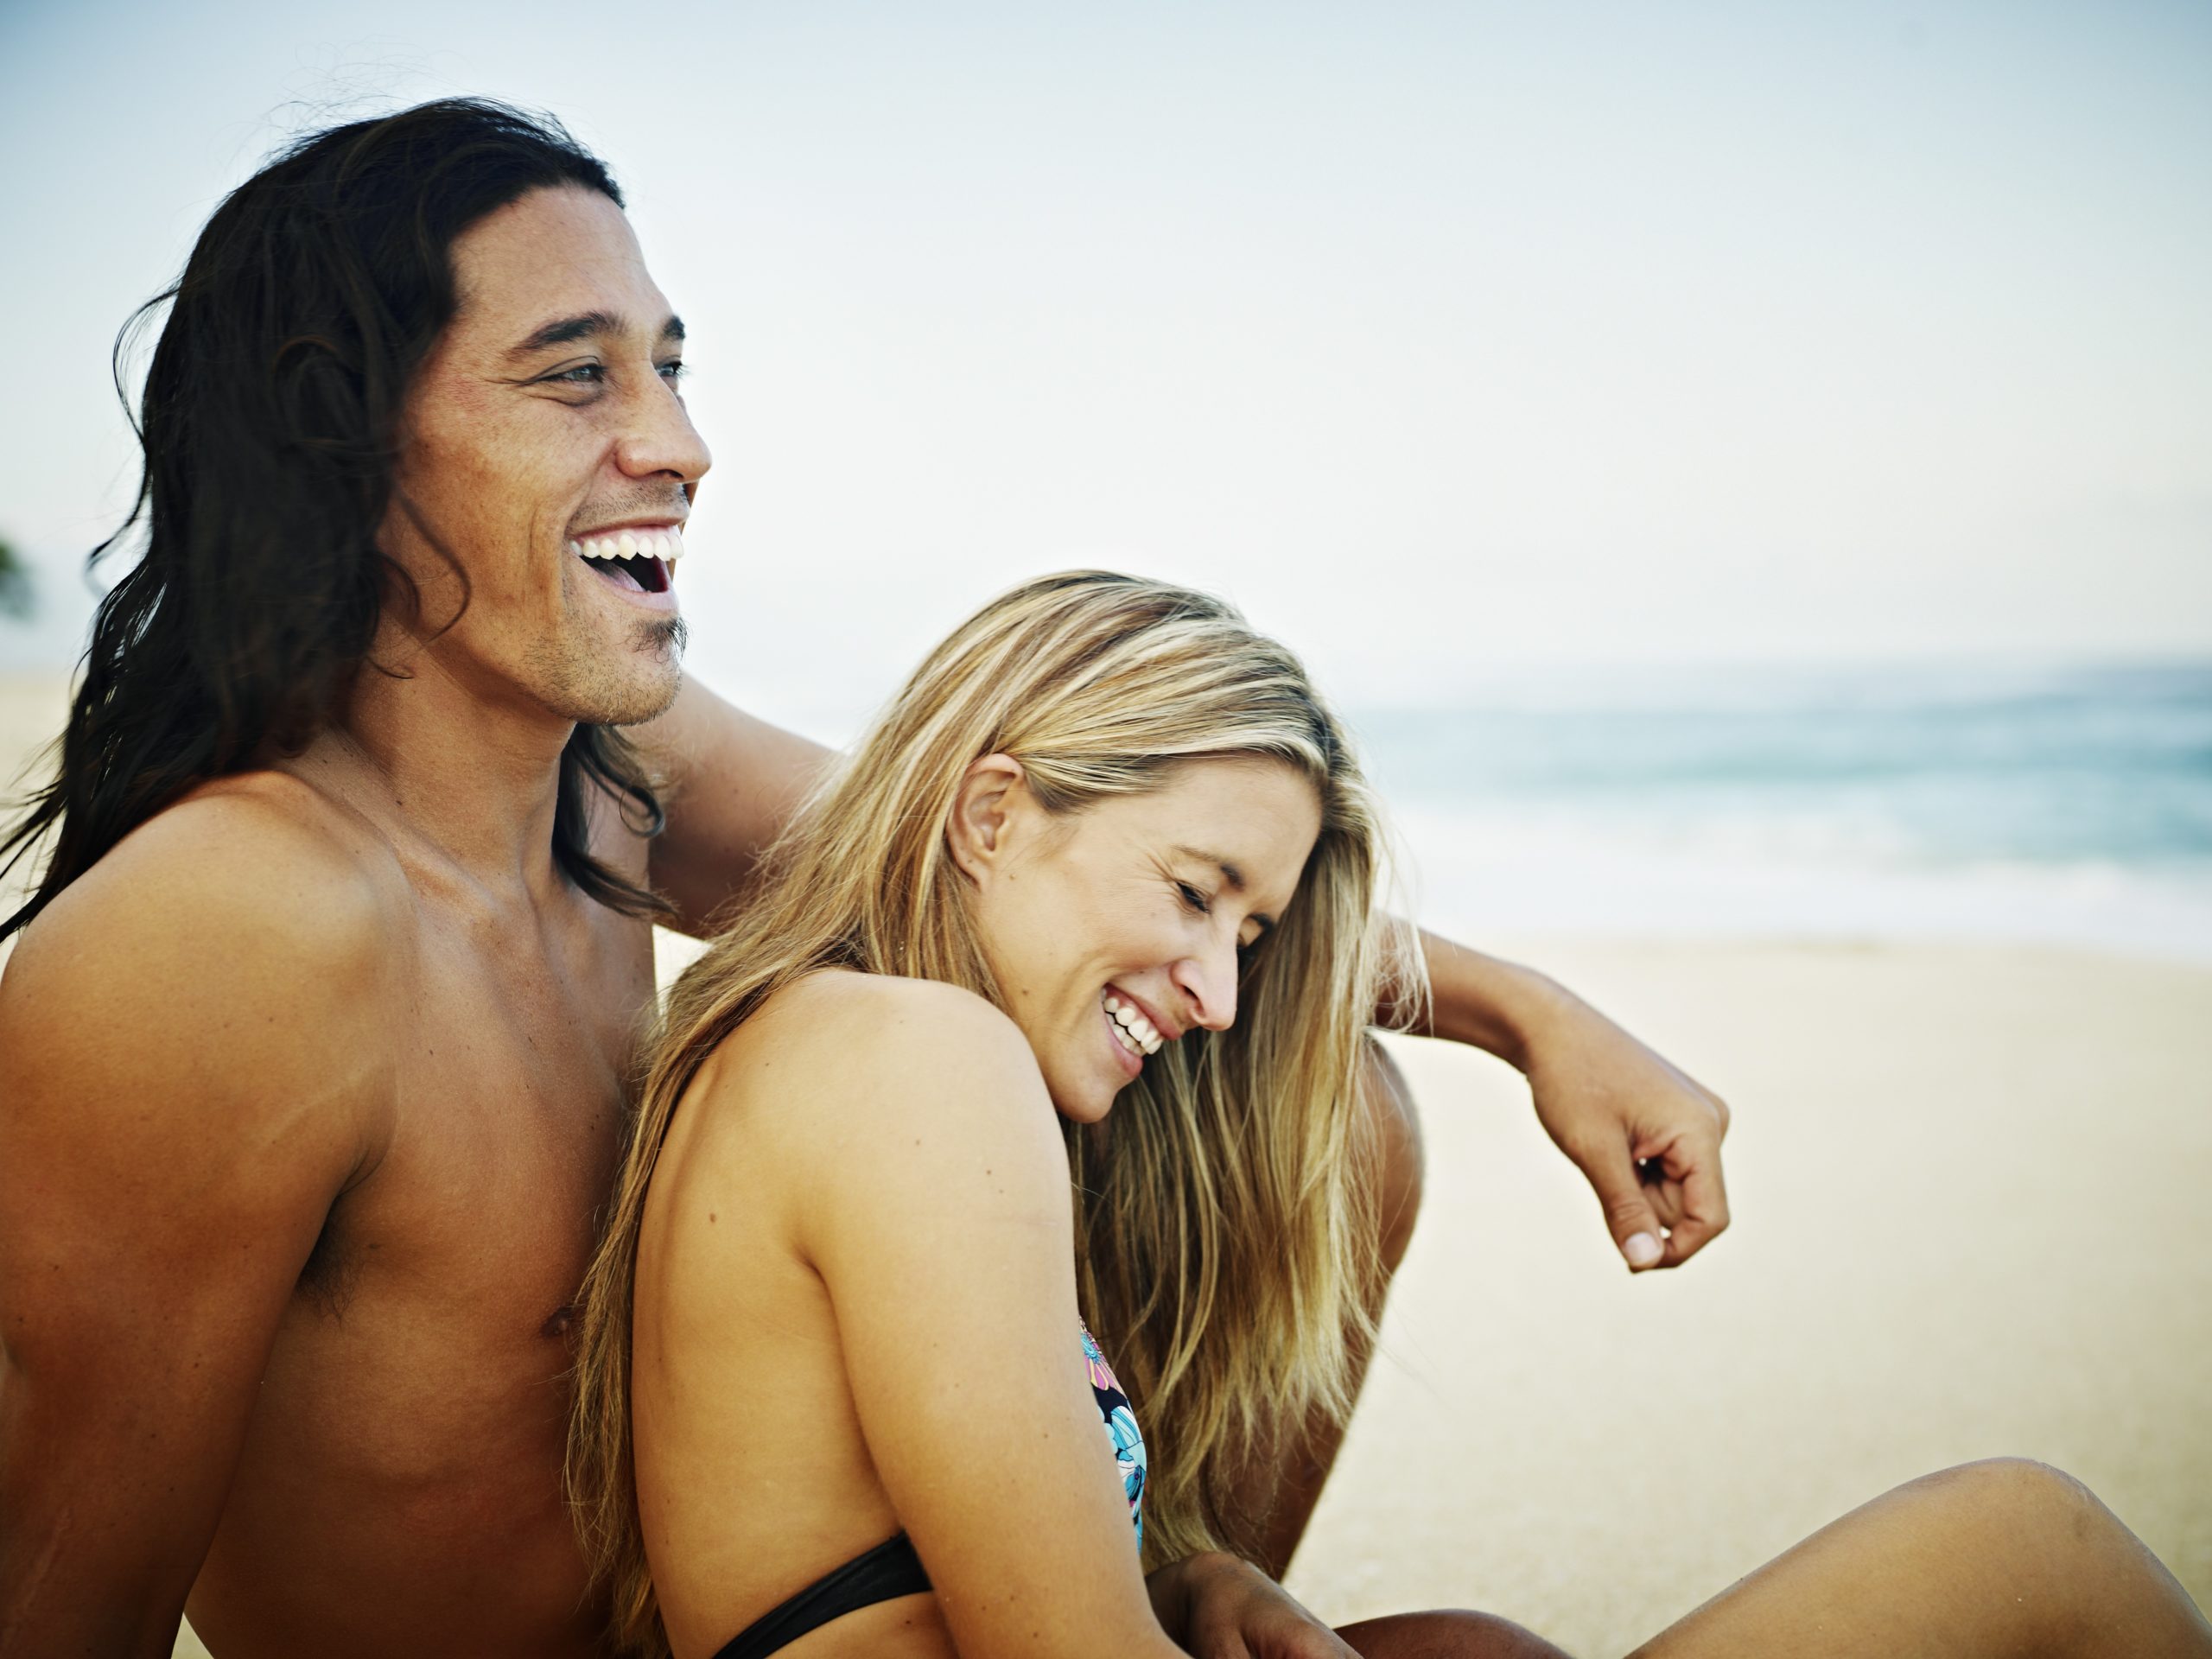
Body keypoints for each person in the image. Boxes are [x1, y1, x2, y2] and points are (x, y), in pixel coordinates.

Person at [0, 100, 1731, 1656]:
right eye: (576, 373)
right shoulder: (227, 931)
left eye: (672, 368)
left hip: (804, 1600)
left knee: (1331, 1115)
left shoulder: (604, 780)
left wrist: (1526, 1019)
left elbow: (1079, 880)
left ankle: (1129, 1574)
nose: (678, 443)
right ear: (348, 450)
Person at [570, 571, 2212, 1659]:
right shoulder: (913, 1063)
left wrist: (1193, 1578)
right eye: (1197, 890)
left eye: (1257, 936)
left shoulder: (854, 1060)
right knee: (2027, 1547)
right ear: (992, 813)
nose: (1220, 990)